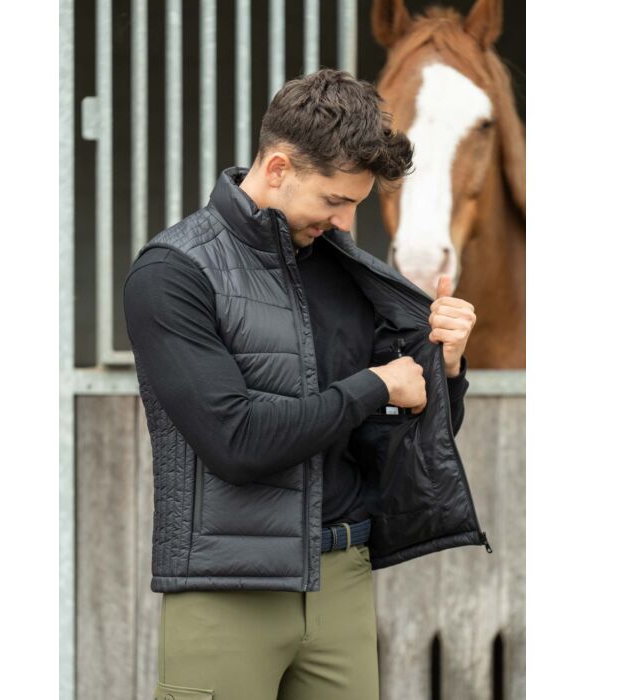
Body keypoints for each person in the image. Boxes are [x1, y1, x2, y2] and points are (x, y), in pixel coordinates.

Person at [123, 68, 481, 700]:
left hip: (343, 576)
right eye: (334, 201)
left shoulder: (346, 273)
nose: (344, 222)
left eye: (355, 205)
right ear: (279, 167)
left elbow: (399, 437)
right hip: (229, 586)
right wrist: (375, 385)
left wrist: (444, 370)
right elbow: (235, 441)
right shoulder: (173, 272)